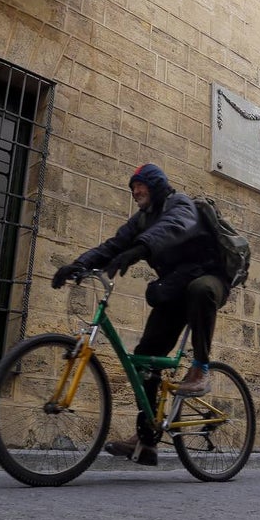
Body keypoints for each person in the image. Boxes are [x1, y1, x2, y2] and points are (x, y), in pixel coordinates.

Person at [51, 163, 228, 465]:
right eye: (132, 188)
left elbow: (173, 227)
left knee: (200, 290)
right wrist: (78, 265)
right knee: (146, 358)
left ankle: (201, 368)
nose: (135, 192)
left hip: (208, 277)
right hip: (174, 288)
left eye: (140, 186)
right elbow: (114, 244)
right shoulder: (142, 219)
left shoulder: (181, 204)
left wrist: (139, 250)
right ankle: (147, 442)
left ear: (156, 185)